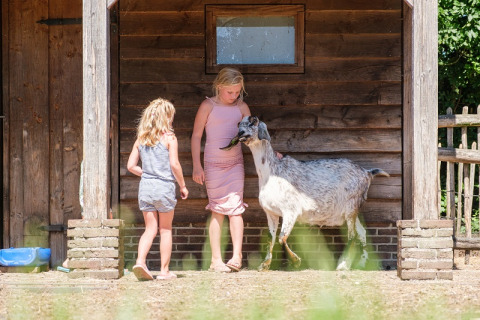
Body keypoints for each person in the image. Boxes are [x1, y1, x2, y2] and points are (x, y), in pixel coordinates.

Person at [191, 67, 251, 272]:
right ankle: (215, 260)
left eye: (237, 92)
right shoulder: (208, 106)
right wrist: (197, 166)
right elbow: (197, 136)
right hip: (213, 165)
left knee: (236, 210)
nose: (234, 96)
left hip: (235, 164)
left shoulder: (242, 108)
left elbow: (250, 135)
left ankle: (236, 257)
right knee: (217, 210)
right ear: (219, 86)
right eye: (230, 92)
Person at [127, 97, 189, 281]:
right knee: (165, 229)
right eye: (171, 117)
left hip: (145, 188)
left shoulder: (141, 139)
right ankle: (164, 271)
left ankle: (140, 261)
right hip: (164, 188)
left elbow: (131, 166)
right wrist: (183, 185)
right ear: (166, 118)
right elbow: (175, 164)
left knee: (149, 229)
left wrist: (147, 173)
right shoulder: (170, 138)